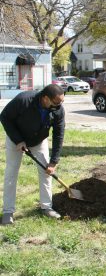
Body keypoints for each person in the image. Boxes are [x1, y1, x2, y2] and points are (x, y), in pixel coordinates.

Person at [0, 84, 65, 224]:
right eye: (56, 102)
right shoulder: (23, 100)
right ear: (45, 98)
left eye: (61, 102)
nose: (59, 105)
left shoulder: (58, 110)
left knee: (46, 173)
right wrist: (18, 140)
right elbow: (5, 117)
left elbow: (59, 135)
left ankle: (46, 207)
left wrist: (53, 162)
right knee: (11, 173)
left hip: (39, 140)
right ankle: (8, 212)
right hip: (16, 139)